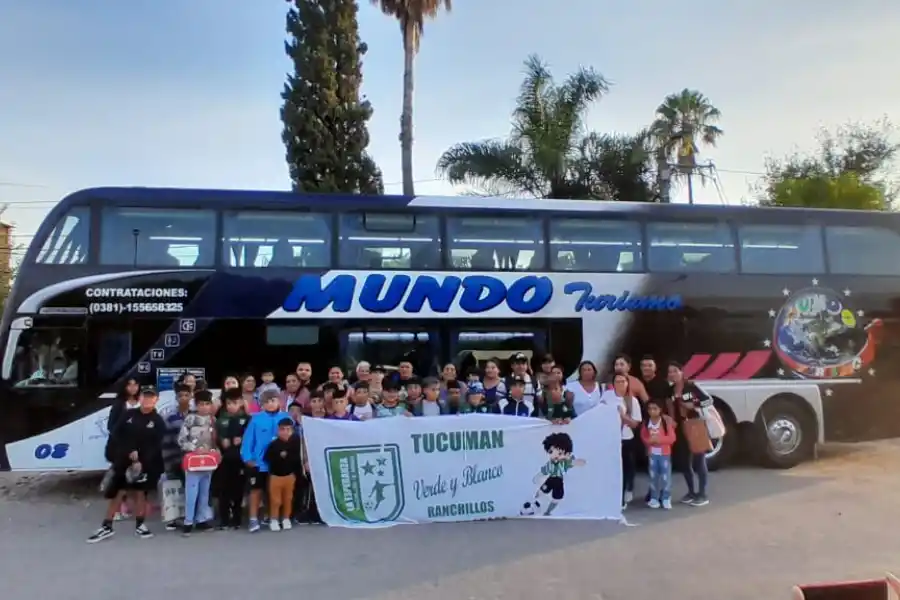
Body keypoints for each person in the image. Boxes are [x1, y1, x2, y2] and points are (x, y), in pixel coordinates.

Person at [87, 386, 166, 543]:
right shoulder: (128, 415)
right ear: (140, 398)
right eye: (145, 396)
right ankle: (107, 526)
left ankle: (140, 525)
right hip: (124, 460)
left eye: (151, 397)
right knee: (118, 493)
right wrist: (129, 451)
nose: (147, 400)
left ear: (156, 400)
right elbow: (116, 435)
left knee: (140, 494)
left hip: (145, 464)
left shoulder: (158, 421)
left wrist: (141, 460)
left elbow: (156, 445)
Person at [241, 389, 291, 533]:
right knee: (256, 491)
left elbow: (293, 437)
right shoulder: (256, 419)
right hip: (259, 463)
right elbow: (248, 440)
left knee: (275, 491)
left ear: (279, 401)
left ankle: (272, 516)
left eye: (273, 400)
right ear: (262, 404)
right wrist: (248, 458)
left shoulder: (285, 417)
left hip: (279, 463)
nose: (270, 404)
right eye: (267, 402)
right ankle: (253, 519)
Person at [668, 361, 713, 507]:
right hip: (680, 428)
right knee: (684, 462)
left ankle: (702, 493)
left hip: (695, 425)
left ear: (681, 372)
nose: (672, 374)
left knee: (699, 460)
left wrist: (694, 405)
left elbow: (708, 400)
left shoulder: (691, 386)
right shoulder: (671, 390)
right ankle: (691, 492)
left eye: (675, 371)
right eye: (670, 372)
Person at [177, 390, 217, 536]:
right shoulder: (190, 419)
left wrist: (213, 450)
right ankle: (188, 521)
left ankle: (202, 519)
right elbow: (181, 440)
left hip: (208, 462)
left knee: (205, 493)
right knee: (191, 492)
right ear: (196, 405)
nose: (204, 407)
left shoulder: (213, 420)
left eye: (207, 404)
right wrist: (195, 449)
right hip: (193, 462)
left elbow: (215, 441)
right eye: (201, 404)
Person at [601, 373, 642, 509]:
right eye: (617, 382)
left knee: (626, 467)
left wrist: (623, 417)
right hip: (611, 438)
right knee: (612, 467)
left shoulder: (632, 401)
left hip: (626, 438)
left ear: (627, 383)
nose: (620, 384)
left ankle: (626, 492)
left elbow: (635, 423)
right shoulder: (607, 396)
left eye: (623, 381)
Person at [104, 378, 141, 521]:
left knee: (133, 479)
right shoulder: (119, 404)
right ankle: (116, 508)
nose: (133, 388)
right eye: (129, 385)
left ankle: (129, 505)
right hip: (120, 447)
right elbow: (111, 427)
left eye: (135, 384)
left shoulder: (142, 403)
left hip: (138, 447)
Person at [161, 382, 193, 531]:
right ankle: (173, 518)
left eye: (187, 395)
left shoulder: (196, 415)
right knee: (174, 489)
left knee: (190, 488)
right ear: (176, 398)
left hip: (191, 460)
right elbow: (165, 440)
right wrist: (167, 460)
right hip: (173, 458)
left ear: (191, 396)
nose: (184, 398)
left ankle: (190, 517)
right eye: (181, 396)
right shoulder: (169, 417)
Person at [216, 388, 249, 530]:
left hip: (240, 459)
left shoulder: (247, 419)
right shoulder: (220, 419)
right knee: (223, 490)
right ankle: (224, 519)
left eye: (235, 403)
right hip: (223, 459)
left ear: (241, 402)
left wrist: (242, 439)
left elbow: (252, 437)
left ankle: (236, 518)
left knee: (238, 490)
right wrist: (221, 441)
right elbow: (214, 437)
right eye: (228, 403)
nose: (231, 406)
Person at [263, 418, 302, 531]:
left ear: (293, 430)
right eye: (282, 429)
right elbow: (268, 458)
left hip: (289, 476)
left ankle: (286, 518)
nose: (285, 432)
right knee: (276, 500)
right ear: (278, 431)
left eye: (288, 429)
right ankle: (274, 519)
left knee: (288, 499)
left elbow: (296, 459)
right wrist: (279, 456)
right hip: (275, 476)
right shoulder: (273, 445)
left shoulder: (295, 443)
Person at [640, 398, 677, 509]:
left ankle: (666, 498)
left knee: (666, 477)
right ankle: (654, 498)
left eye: (655, 409)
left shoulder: (665, 423)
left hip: (664, 454)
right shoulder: (647, 423)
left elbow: (672, 438)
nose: (652, 411)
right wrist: (649, 441)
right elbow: (643, 436)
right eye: (650, 409)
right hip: (652, 454)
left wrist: (659, 440)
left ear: (660, 410)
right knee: (653, 476)